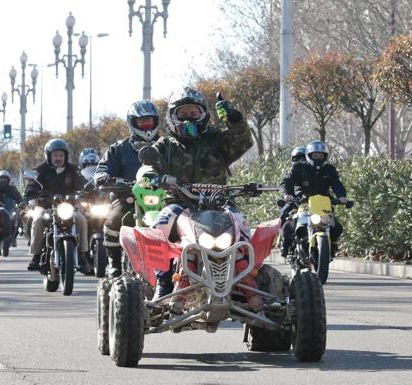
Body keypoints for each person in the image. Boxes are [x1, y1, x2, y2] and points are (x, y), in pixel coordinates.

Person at [138, 87, 254, 299]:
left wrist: (235, 119)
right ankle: (163, 282)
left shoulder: (217, 140)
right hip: (179, 204)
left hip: (218, 204)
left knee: (242, 225)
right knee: (159, 227)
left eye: (194, 114)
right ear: (172, 117)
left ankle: (249, 279)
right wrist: (152, 176)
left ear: (203, 115)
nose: (188, 119)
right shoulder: (165, 145)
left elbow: (243, 142)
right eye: (183, 114)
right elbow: (149, 165)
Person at [94, 100, 161, 278]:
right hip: (127, 197)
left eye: (150, 121)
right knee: (114, 219)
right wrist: (103, 177)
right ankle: (114, 263)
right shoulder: (119, 148)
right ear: (133, 123)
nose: (147, 125)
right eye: (142, 122)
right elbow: (102, 168)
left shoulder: (167, 145)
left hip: (163, 198)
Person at [25, 138, 90, 273]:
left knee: (81, 220)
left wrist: (87, 191)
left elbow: (83, 184)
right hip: (46, 206)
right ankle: (36, 255)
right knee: (37, 220)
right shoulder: (40, 170)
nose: (58, 158)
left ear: (65, 156)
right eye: (55, 155)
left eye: (61, 155)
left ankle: (83, 255)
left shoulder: (72, 169)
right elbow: (32, 185)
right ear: (49, 155)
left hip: (68, 206)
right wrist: (32, 192)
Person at [279, 140, 348, 261]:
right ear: (309, 155)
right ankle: (285, 247)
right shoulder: (299, 168)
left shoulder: (329, 169)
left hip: (323, 202)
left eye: (321, 155)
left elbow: (337, 184)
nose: (318, 158)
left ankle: (331, 246)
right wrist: (287, 195)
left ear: (325, 156)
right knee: (288, 225)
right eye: (315, 155)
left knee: (337, 227)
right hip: (302, 200)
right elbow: (286, 181)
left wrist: (342, 196)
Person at [279, 146, 307, 223]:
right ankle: (282, 234)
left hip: (314, 201)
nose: (299, 162)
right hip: (295, 201)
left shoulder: (313, 172)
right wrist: (286, 195)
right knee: (284, 215)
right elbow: (284, 184)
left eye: (302, 159)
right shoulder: (290, 173)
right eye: (296, 159)